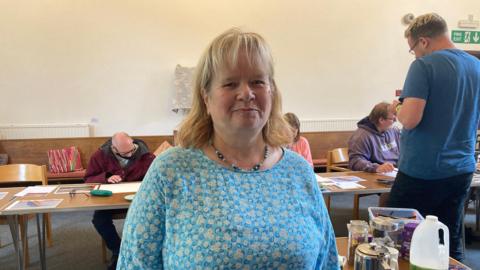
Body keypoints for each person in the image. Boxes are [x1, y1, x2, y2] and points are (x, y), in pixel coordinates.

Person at [117, 28, 338, 269]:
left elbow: (326, 261)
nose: (247, 93)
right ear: (206, 98)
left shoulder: (299, 172)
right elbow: (135, 263)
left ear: (271, 92)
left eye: (257, 82)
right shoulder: (171, 171)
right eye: (231, 83)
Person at [387, 13, 480, 261]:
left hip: (422, 170)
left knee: (397, 236)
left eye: (413, 48)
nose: (414, 54)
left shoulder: (423, 66)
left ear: (424, 41)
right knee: (448, 237)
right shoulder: (476, 66)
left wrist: (397, 107)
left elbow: (410, 119)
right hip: (461, 169)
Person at [84, 132, 155, 270]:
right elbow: (88, 179)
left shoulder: (147, 156)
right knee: (99, 219)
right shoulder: (99, 156)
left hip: (137, 201)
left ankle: (140, 252)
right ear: (114, 148)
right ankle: (118, 250)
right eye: (125, 153)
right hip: (110, 201)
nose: (130, 155)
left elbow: (155, 178)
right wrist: (106, 178)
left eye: (132, 150)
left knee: (151, 217)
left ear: (132, 142)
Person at [348, 102, 400, 173]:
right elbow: (355, 161)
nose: (395, 121)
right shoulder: (361, 136)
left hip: (395, 172)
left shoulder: (394, 131)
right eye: (393, 119)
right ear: (381, 120)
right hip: (375, 174)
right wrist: (376, 168)